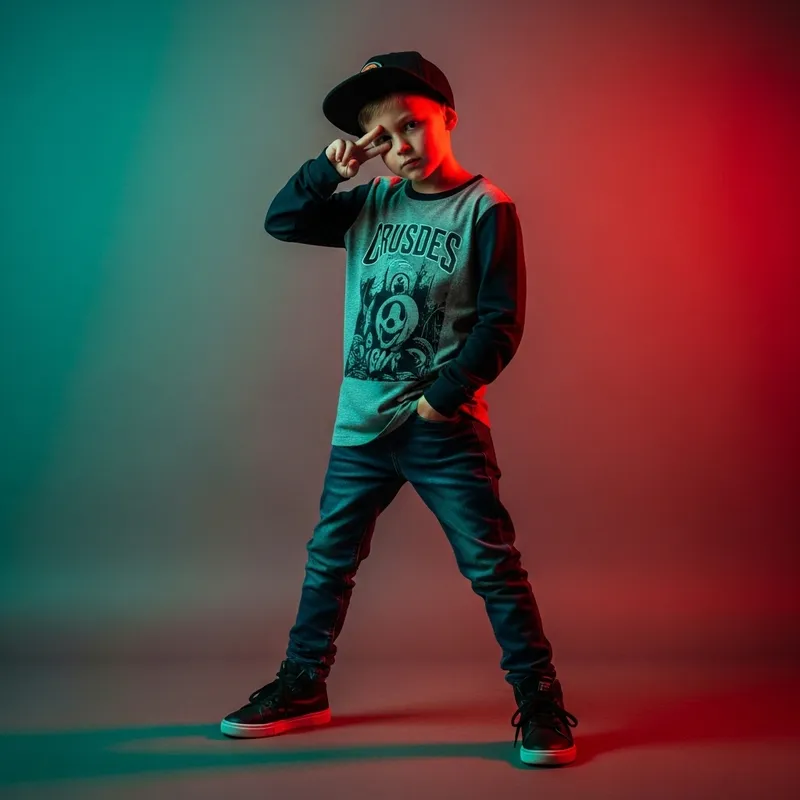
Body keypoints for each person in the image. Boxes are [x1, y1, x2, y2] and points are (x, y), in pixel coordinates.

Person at [220, 50, 578, 767]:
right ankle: (304, 684)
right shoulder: (367, 204)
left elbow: (500, 325)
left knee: (490, 564)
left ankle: (539, 695)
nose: (400, 148)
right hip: (359, 427)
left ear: (447, 117)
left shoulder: (486, 208)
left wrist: (439, 404)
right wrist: (332, 167)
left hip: (441, 430)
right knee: (328, 560)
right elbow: (284, 221)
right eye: (381, 137)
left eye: (411, 126)